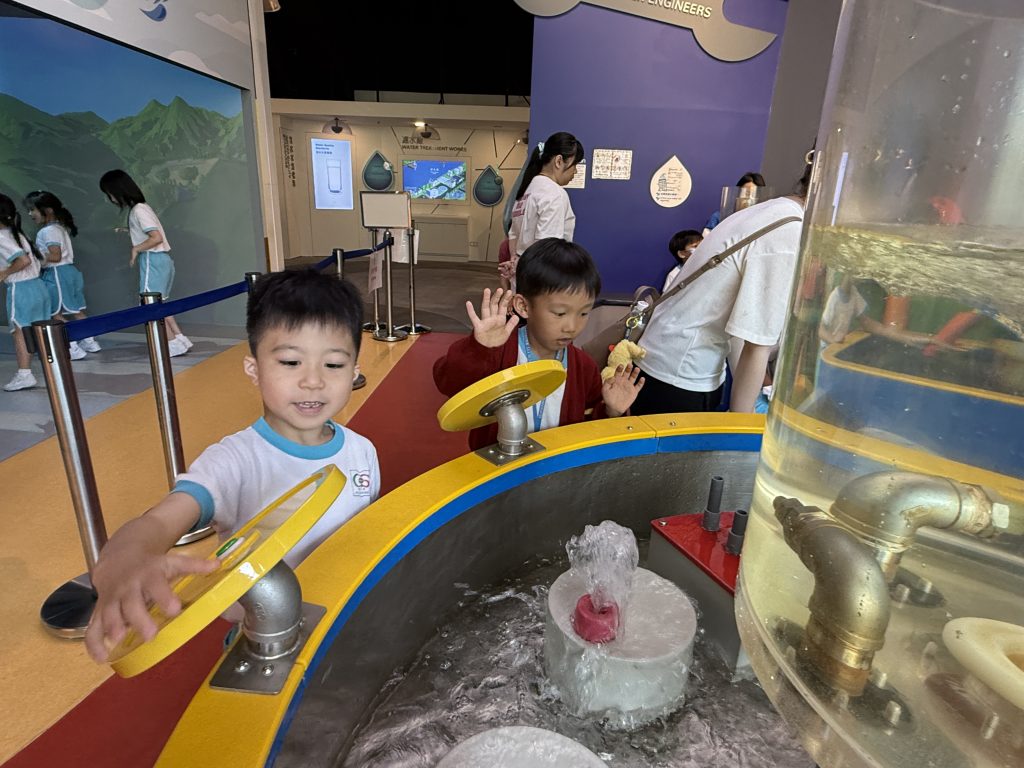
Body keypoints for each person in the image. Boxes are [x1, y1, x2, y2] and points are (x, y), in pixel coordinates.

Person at [83, 269, 380, 662]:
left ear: (355, 371)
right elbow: (160, 521)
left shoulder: (363, 452)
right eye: (291, 361)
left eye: (334, 365)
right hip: (266, 642)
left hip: (345, 623)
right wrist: (125, 559)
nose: (313, 381)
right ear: (254, 370)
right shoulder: (234, 460)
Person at [631, 160, 811, 416]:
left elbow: (742, 332)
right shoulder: (787, 230)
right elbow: (756, 345)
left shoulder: (772, 210)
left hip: (667, 360)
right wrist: (742, 427)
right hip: (680, 375)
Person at [433, 238, 644, 450]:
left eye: (584, 313)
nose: (572, 326)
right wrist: (479, 348)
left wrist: (611, 411)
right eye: (560, 313)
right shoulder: (499, 351)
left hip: (555, 464)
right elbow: (448, 383)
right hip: (497, 463)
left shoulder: (583, 367)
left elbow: (588, 429)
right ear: (523, 307)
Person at [98, 169, 191, 357]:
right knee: (160, 303)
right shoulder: (143, 207)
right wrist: (129, 232)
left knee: (150, 305)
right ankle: (179, 339)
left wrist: (136, 249)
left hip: (152, 260)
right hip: (161, 259)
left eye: (109, 193)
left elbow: (155, 237)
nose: (110, 198)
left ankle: (172, 344)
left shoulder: (138, 210)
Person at [25, 191, 102, 359]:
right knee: (77, 310)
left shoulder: (47, 231)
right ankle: (89, 341)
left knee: (56, 313)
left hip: (56, 275)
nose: (30, 214)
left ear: (48, 210)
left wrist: (34, 256)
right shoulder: (59, 227)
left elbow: (55, 256)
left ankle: (71, 346)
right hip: (68, 272)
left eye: (33, 210)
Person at [506, 132, 584, 278]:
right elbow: (547, 248)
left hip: (521, 273)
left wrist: (515, 261)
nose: (575, 171)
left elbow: (513, 234)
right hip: (541, 278)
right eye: (575, 164)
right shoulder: (554, 194)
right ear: (559, 161)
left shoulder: (526, 190)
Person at [0, 194, 52, 392]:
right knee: (39, 331)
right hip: (38, 286)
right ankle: (50, 370)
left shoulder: (1, 236)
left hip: (21, 289)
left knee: (20, 332)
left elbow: (23, 260)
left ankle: (24, 374)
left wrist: (4, 273)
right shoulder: (17, 233)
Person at [703, 172, 767, 236]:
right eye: (745, 192)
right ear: (738, 193)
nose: (748, 198)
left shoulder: (763, 220)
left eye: (753, 194)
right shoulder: (719, 217)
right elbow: (707, 237)